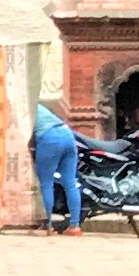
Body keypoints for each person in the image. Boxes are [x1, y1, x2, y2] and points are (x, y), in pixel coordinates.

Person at [31, 88, 82, 233]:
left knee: (46, 183)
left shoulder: (24, 109)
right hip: (67, 134)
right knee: (70, 183)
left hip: (49, 138)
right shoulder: (39, 107)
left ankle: (48, 226)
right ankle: (74, 226)